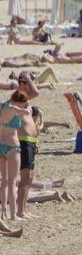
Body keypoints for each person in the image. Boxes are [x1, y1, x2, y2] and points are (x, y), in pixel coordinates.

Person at [0, 91, 28, 220]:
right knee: (12, 182)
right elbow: (27, 112)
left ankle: (3, 212)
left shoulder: (2, 106)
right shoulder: (13, 108)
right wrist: (26, 107)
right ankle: (13, 214)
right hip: (12, 146)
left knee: (4, 181)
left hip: (1, 144)